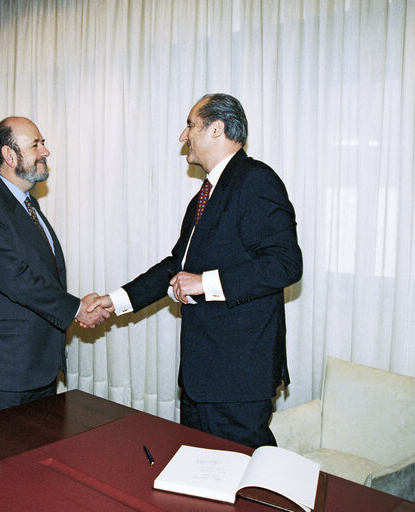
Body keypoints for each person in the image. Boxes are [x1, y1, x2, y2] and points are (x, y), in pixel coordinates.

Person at [89, 94, 302, 448]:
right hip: (201, 377)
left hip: (238, 378)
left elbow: (285, 263)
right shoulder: (203, 196)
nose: (182, 136)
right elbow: (177, 266)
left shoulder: (256, 180)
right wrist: (115, 301)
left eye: (190, 125)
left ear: (216, 129)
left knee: (243, 484)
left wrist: (206, 283)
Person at [0, 116, 109, 416]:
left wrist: (75, 306)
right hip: (3, 369)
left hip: (38, 363)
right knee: (0, 459)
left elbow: (43, 275)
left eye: (43, 143)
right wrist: (77, 308)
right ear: (9, 156)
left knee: (37, 457)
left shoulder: (28, 205)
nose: (45, 152)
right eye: (35, 144)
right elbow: (16, 279)